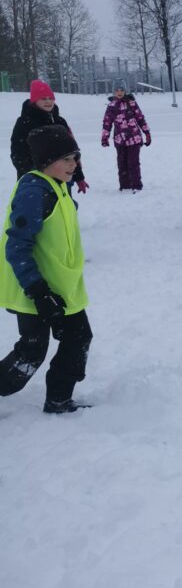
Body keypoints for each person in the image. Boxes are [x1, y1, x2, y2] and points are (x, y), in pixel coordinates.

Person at [0, 125, 93, 412]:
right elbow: (16, 247)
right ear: (44, 162)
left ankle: (59, 399)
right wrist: (39, 292)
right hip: (34, 288)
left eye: (75, 157)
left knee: (78, 337)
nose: (73, 164)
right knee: (31, 351)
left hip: (62, 287)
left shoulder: (57, 186)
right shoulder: (33, 192)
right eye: (65, 159)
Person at [10, 80, 89, 196]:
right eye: (43, 98)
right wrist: (31, 174)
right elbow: (18, 153)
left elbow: (71, 152)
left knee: (64, 205)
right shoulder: (24, 123)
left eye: (51, 98)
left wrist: (78, 176)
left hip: (62, 177)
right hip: (37, 180)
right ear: (34, 100)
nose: (48, 101)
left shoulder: (60, 121)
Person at [101, 79, 151, 192]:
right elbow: (107, 123)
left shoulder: (132, 103)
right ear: (114, 92)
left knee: (133, 163)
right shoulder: (111, 106)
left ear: (125, 91)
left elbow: (140, 119)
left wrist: (147, 133)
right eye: (117, 90)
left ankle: (136, 185)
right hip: (120, 140)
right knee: (122, 163)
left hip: (134, 139)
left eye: (121, 90)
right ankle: (125, 186)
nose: (119, 92)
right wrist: (104, 137)